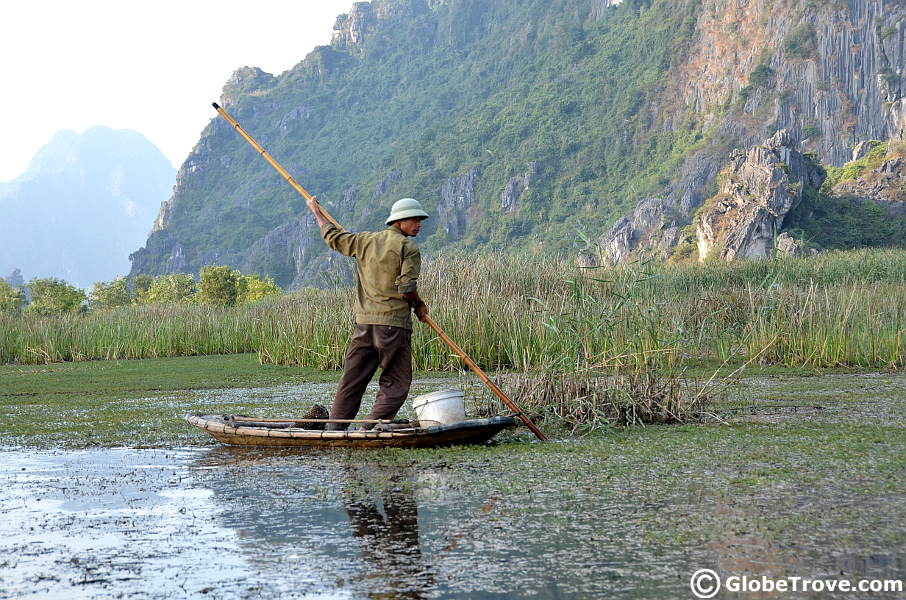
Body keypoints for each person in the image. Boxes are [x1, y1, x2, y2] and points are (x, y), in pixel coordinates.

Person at [306, 197, 429, 430]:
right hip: (393, 326)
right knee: (397, 382)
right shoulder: (408, 248)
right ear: (399, 222)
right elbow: (406, 288)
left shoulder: (364, 241)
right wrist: (419, 304)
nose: (419, 224)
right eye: (414, 219)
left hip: (364, 326)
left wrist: (316, 212)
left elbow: (333, 238)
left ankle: (335, 430)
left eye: (419, 220)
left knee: (352, 381)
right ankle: (368, 429)